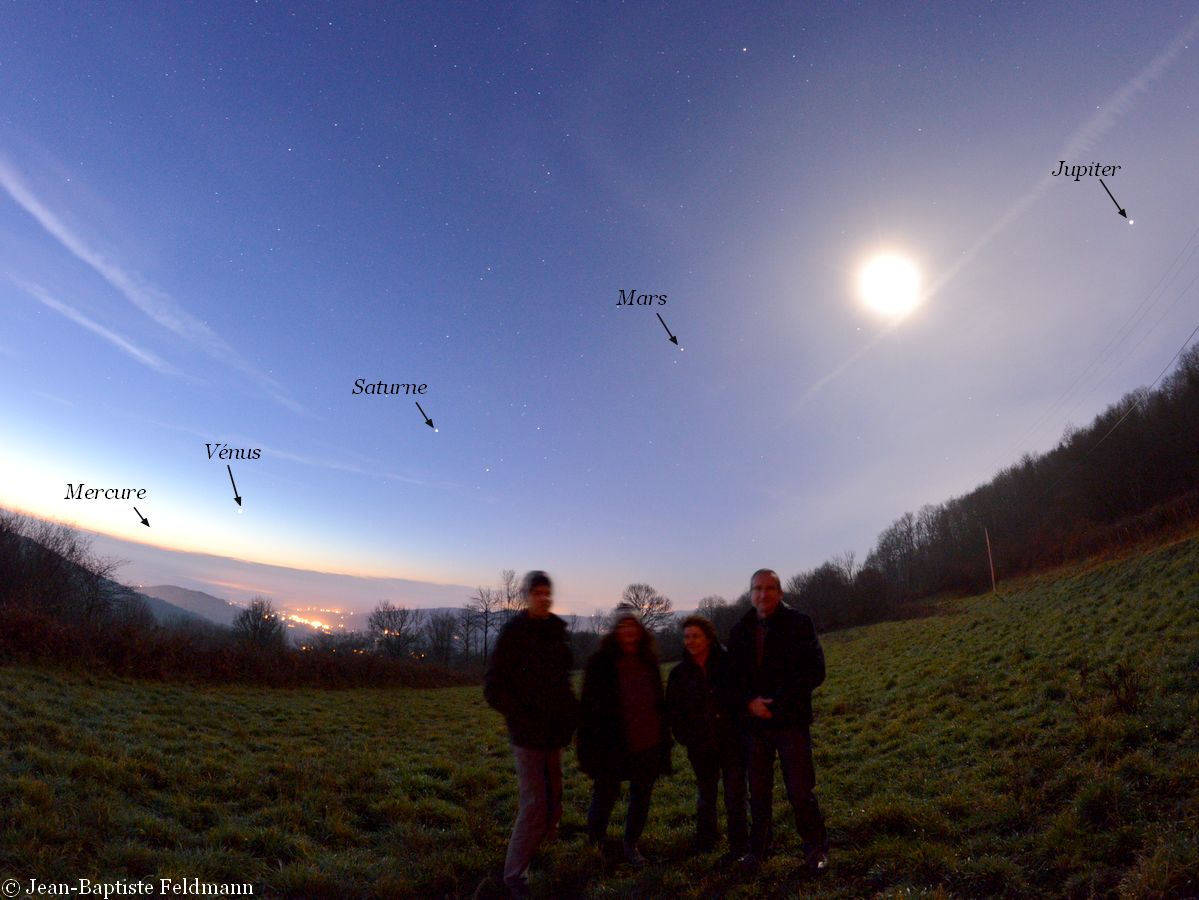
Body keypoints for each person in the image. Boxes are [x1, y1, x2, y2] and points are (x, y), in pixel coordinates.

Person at [727, 568, 829, 873]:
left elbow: (815, 670)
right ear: (750, 594)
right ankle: (758, 850)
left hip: (791, 723)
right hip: (755, 727)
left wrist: (777, 703)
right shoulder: (739, 630)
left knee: (800, 790)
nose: (763, 594)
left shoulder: (800, 623)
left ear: (780, 592)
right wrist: (749, 703)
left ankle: (814, 849)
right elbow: (732, 679)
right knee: (758, 793)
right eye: (757, 589)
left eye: (769, 588)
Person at [484, 571, 579, 898]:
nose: (543, 598)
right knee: (535, 804)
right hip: (527, 736)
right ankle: (514, 876)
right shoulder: (513, 634)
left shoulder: (557, 631)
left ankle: (541, 845)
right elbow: (493, 687)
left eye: (547, 593)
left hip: (554, 734)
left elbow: (562, 683)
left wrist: (571, 718)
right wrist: (522, 715)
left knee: (554, 802)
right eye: (537, 593)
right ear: (526, 597)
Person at [577, 607, 672, 867]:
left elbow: (658, 702)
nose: (628, 630)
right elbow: (588, 708)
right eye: (622, 625)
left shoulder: (649, 660)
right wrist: (588, 747)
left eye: (632, 625)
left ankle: (631, 845)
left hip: (647, 743)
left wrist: (663, 741)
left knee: (641, 797)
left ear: (640, 630)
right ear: (615, 630)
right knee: (605, 795)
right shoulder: (600, 662)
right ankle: (595, 843)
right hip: (611, 745)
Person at [665, 615, 749, 859]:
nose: (690, 641)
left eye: (696, 636)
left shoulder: (728, 664)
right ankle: (705, 842)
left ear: (708, 638)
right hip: (700, 745)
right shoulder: (679, 674)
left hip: (732, 741)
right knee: (706, 794)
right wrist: (686, 737)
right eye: (686, 637)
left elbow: (741, 696)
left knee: (735, 794)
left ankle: (739, 844)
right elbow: (673, 710)